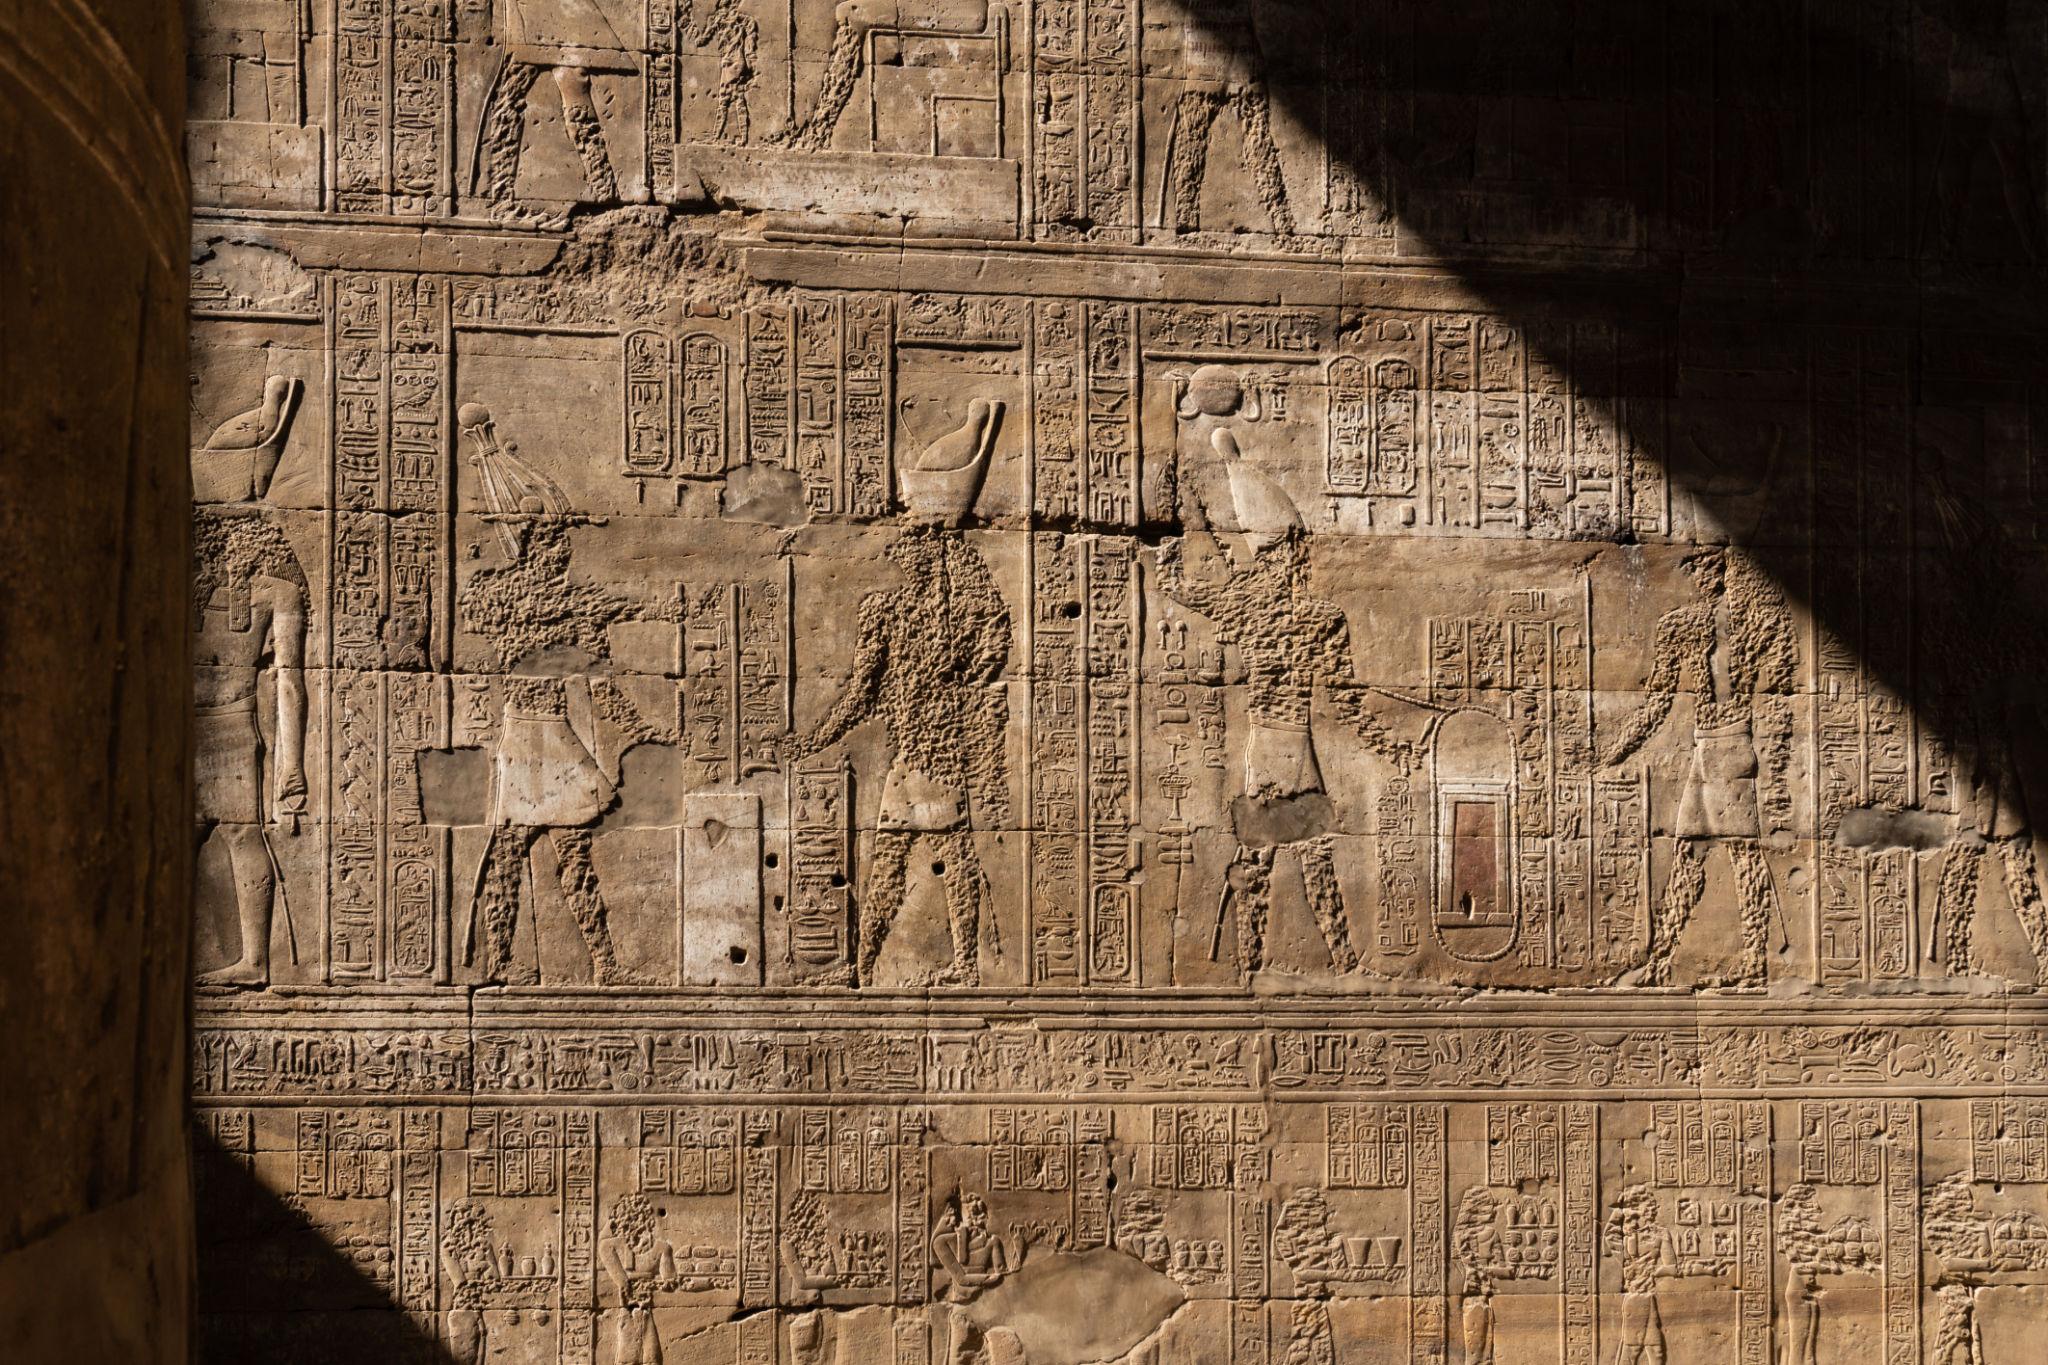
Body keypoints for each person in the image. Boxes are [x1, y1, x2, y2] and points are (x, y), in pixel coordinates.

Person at [1159, 384, 1423, 978]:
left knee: (1270, 861)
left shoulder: (1254, 603)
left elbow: (1185, 585)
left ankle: (1258, 961)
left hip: (1270, 748)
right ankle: (1331, 960)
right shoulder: (1308, 614)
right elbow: (1349, 703)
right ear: (1295, 549)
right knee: (1307, 859)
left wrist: (1179, 518)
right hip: (1290, 747)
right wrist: (1393, 745)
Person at [1603, 548, 1799, 987]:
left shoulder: (1694, 625)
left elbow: (1658, 705)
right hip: (1720, 750)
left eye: (1702, 565)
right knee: (1697, 852)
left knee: (1732, 854)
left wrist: (1615, 752)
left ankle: (1750, 960)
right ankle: (1670, 959)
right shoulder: (1756, 623)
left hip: (1725, 749)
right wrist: (1617, 751)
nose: (1694, 574)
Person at [194, 376, 308, 988]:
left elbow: (292, 679)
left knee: (241, 834)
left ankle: (255, 959)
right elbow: (289, 680)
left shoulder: (275, 588)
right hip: (208, 724)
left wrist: (293, 765)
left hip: (233, 725)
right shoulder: (199, 571)